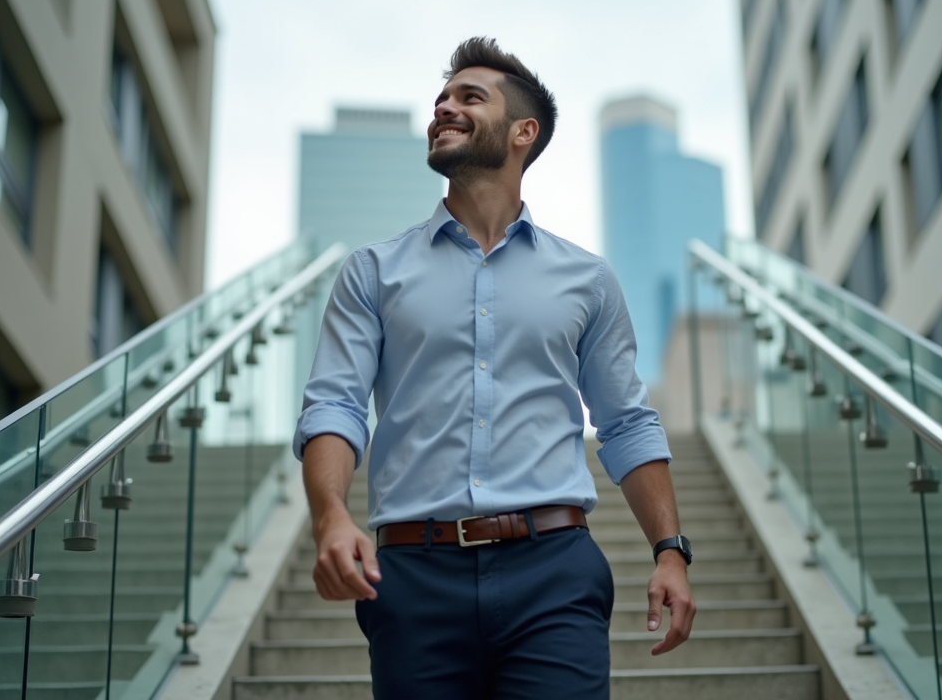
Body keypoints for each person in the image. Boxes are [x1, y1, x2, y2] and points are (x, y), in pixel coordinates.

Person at [295, 37, 696, 699]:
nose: (444, 108)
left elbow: (625, 423)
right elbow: (334, 406)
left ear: (522, 133)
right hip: (412, 574)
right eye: (441, 99)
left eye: (468, 97)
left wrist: (670, 552)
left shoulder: (587, 280)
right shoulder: (373, 272)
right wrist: (330, 516)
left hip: (554, 572)